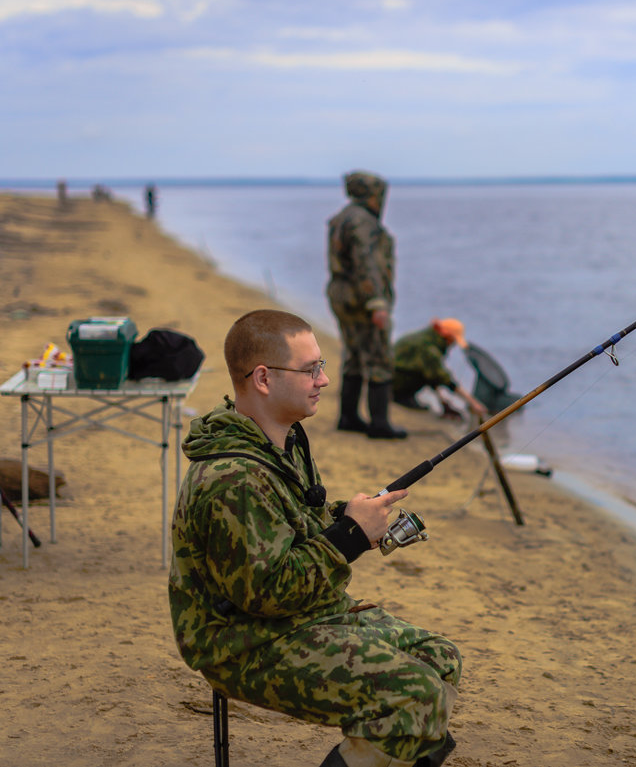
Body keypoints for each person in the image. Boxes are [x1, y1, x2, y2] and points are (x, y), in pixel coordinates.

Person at [168, 310, 460, 767]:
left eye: (321, 366)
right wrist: (350, 537)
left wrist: (347, 513)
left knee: (440, 657)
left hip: (301, 612)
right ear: (263, 378)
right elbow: (266, 594)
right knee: (412, 694)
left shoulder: (280, 439)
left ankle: (403, 751)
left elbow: (297, 516)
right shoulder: (232, 479)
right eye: (310, 370)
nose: (324, 380)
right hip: (242, 638)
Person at [327, 171, 406, 439]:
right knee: (378, 355)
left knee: (353, 353)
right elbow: (367, 262)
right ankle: (379, 423)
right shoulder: (363, 222)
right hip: (360, 297)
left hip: (341, 294)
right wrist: (377, 303)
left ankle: (348, 417)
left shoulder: (342, 217)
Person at [392, 319, 488, 418]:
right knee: (429, 374)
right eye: (453, 340)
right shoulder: (429, 349)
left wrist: (443, 402)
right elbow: (444, 378)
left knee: (429, 373)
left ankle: (405, 396)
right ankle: (401, 397)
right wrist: (473, 402)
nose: (453, 344)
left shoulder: (427, 337)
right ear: (447, 336)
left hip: (395, 375)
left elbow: (432, 375)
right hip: (395, 380)